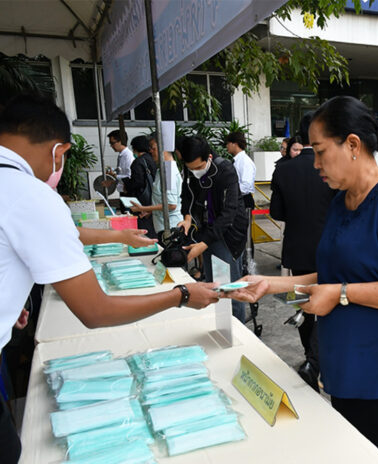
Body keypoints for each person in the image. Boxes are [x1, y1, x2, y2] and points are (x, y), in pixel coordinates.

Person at [0, 95, 222, 464]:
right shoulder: (28, 193)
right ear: (59, 150)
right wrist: (180, 295)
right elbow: (96, 311)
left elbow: (57, 238)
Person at [232, 96, 378, 464]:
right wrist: (274, 285)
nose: (314, 164)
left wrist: (342, 294)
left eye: (319, 151)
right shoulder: (340, 201)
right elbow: (336, 275)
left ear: (352, 145)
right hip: (346, 367)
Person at [270, 113, 336, 391]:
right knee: (331, 304)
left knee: (301, 303)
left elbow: (275, 211)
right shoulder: (334, 167)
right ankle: (318, 360)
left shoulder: (284, 169)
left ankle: (309, 358)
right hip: (330, 250)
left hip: (296, 248)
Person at [178, 136, 249, 322]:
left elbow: (229, 212)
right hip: (205, 230)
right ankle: (221, 325)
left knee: (230, 288)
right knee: (213, 285)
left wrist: (203, 243)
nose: (194, 172)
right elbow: (186, 194)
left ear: (208, 157)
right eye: (190, 168)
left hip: (228, 233)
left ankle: (239, 332)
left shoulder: (225, 169)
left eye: (198, 168)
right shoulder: (189, 169)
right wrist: (186, 218)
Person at [130, 138, 183, 243]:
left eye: (153, 148)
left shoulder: (169, 172)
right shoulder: (163, 169)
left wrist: (143, 207)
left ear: (164, 149)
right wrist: (151, 210)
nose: (150, 151)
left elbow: (171, 205)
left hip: (170, 228)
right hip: (163, 226)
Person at [123, 135, 157, 238]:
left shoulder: (138, 162)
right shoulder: (151, 159)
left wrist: (126, 182)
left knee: (144, 227)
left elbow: (137, 183)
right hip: (153, 196)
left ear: (135, 148)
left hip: (141, 200)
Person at [225, 131, 256, 210]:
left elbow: (246, 186)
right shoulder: (237, 160)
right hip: (237, 199)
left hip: (243, 201)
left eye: (228, 143)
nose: (226, 146)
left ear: (234, 144)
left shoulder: (244, 161)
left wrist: (229, 190)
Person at [106, 129, 133, 194]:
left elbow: (130, 176)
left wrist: (115, 175)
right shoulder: (121, 155)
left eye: (113, 143)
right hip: (122, 189)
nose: (111, 146)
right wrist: (113, 172)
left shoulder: (128, 156)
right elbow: (121, 172)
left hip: (128, 190)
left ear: (120, 141)